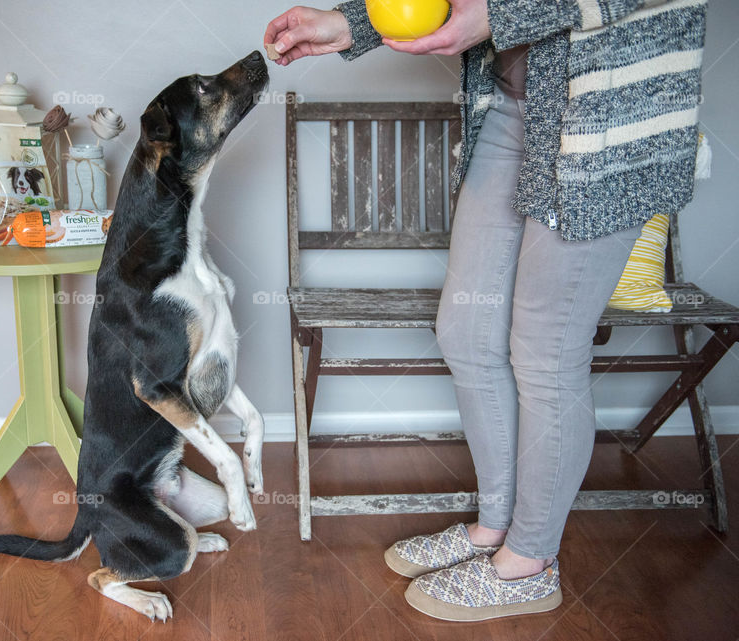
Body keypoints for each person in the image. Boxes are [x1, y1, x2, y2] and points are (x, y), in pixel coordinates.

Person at [264, 0, 707, 622]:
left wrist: (502, 13)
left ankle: (531, 561)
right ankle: (497, 526)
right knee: (467, 333)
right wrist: (355, 24)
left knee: (546, 350)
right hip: (509, 105)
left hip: (609, 117)